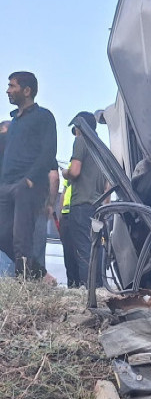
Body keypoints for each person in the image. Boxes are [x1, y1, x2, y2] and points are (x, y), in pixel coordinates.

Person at [0, 72, 57, 279]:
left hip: (28, 186)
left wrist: (30, 180)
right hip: (7, 186)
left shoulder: (44, 117)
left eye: (12, 86)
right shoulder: (14, 122)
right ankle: (39, 273)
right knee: (3, 236)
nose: (7, 90)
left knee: (21, 239)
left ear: (27, 90)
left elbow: (49, 152)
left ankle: (25, 286)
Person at [61, 111, 107, 287]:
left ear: (80, 127)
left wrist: (65, 172)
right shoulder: (102, 148)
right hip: (98, 208)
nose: (75, 132)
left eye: (75, 129)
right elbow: (108, 185)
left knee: (82, 249)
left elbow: (74, 171)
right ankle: (99, 288)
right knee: (97, 248)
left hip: (81, 206)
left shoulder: (81, 141)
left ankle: (87, 291)